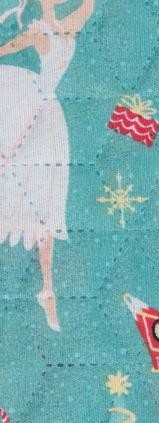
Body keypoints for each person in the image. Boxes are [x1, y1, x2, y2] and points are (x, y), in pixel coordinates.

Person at [0, 0, 94, 331]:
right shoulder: (48, 31)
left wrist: (48, 10)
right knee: (36, 200)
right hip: (36, 108)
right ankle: (47, 289)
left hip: (40, 114)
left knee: (42, 204)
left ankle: (47, 289)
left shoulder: (57, 29)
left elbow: (86, 8)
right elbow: (9, 47)